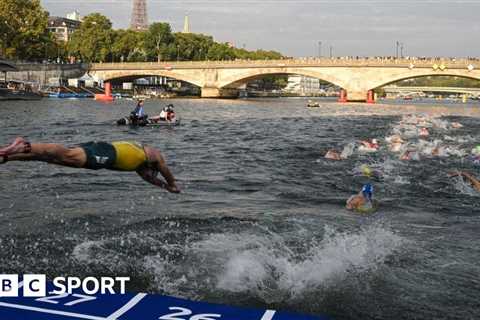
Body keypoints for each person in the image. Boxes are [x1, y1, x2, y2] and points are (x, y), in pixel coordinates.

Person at [0, 137, 180, 193]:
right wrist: (172, 184)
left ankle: (8, 157)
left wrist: (165, 187)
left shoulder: (141, 167)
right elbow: (164, 167)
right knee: (66, 154)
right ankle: (24, 145)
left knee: (53, 159)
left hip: (103, 154)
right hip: (107, 154)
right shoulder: (151, 154)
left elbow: (151, 179)